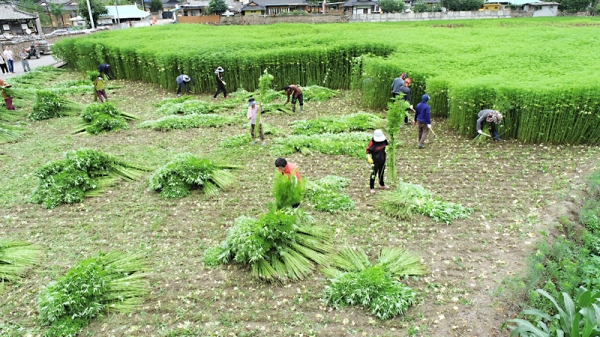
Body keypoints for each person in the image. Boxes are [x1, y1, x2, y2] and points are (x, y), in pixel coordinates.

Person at [366, 129, 390, 194]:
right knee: (374, 173)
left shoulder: (384, 140)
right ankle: (371, 187)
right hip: (375, 160)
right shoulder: (373, 142)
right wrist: (368, 157)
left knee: (381, 172)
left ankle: (382, 184)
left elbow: (387, 145)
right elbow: (368, 150)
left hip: (382, 158)